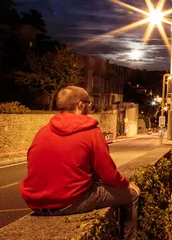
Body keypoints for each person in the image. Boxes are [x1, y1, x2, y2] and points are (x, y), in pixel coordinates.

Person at [20, 86, 140, 240]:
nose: (89, 107)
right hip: (69, 201)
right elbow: (108, 174)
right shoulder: (91, 132)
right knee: (131, 195)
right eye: (89, 103)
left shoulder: (43, 131)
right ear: (80, 105)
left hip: (36, 203)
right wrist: (125, 183)